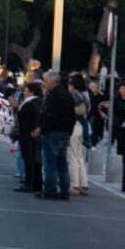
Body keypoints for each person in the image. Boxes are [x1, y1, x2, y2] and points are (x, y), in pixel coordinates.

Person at [35, 70, 75, 200]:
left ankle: (50, 191)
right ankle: (64, 191)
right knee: (62, 164)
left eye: (45, 81)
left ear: (52, 82)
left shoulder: (52, 96)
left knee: (50, 164)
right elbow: (72, 117)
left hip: (52, 133)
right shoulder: (67, 95)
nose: (44, 84)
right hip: (64, 133)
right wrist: (69, 133)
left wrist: (43, 129)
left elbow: (49, 115)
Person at [15, 82, 44, 193]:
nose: (24, 92)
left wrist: (17, 108)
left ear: (31, 92)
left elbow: (20, 117)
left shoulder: (31, 103)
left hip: (28, 134)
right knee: (31, 158)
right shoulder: (35, 102)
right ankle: (33, 182)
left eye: (26, 90)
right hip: (28, 133)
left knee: (29, 158)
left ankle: (29, 183)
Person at [67, 74, 90, 195]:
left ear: (72, 85)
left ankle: (75, 185)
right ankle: (83, 184)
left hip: (74, 125)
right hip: (82, 126)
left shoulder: (75, 96)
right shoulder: (85, 95)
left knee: (73, 156)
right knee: (79, 155)